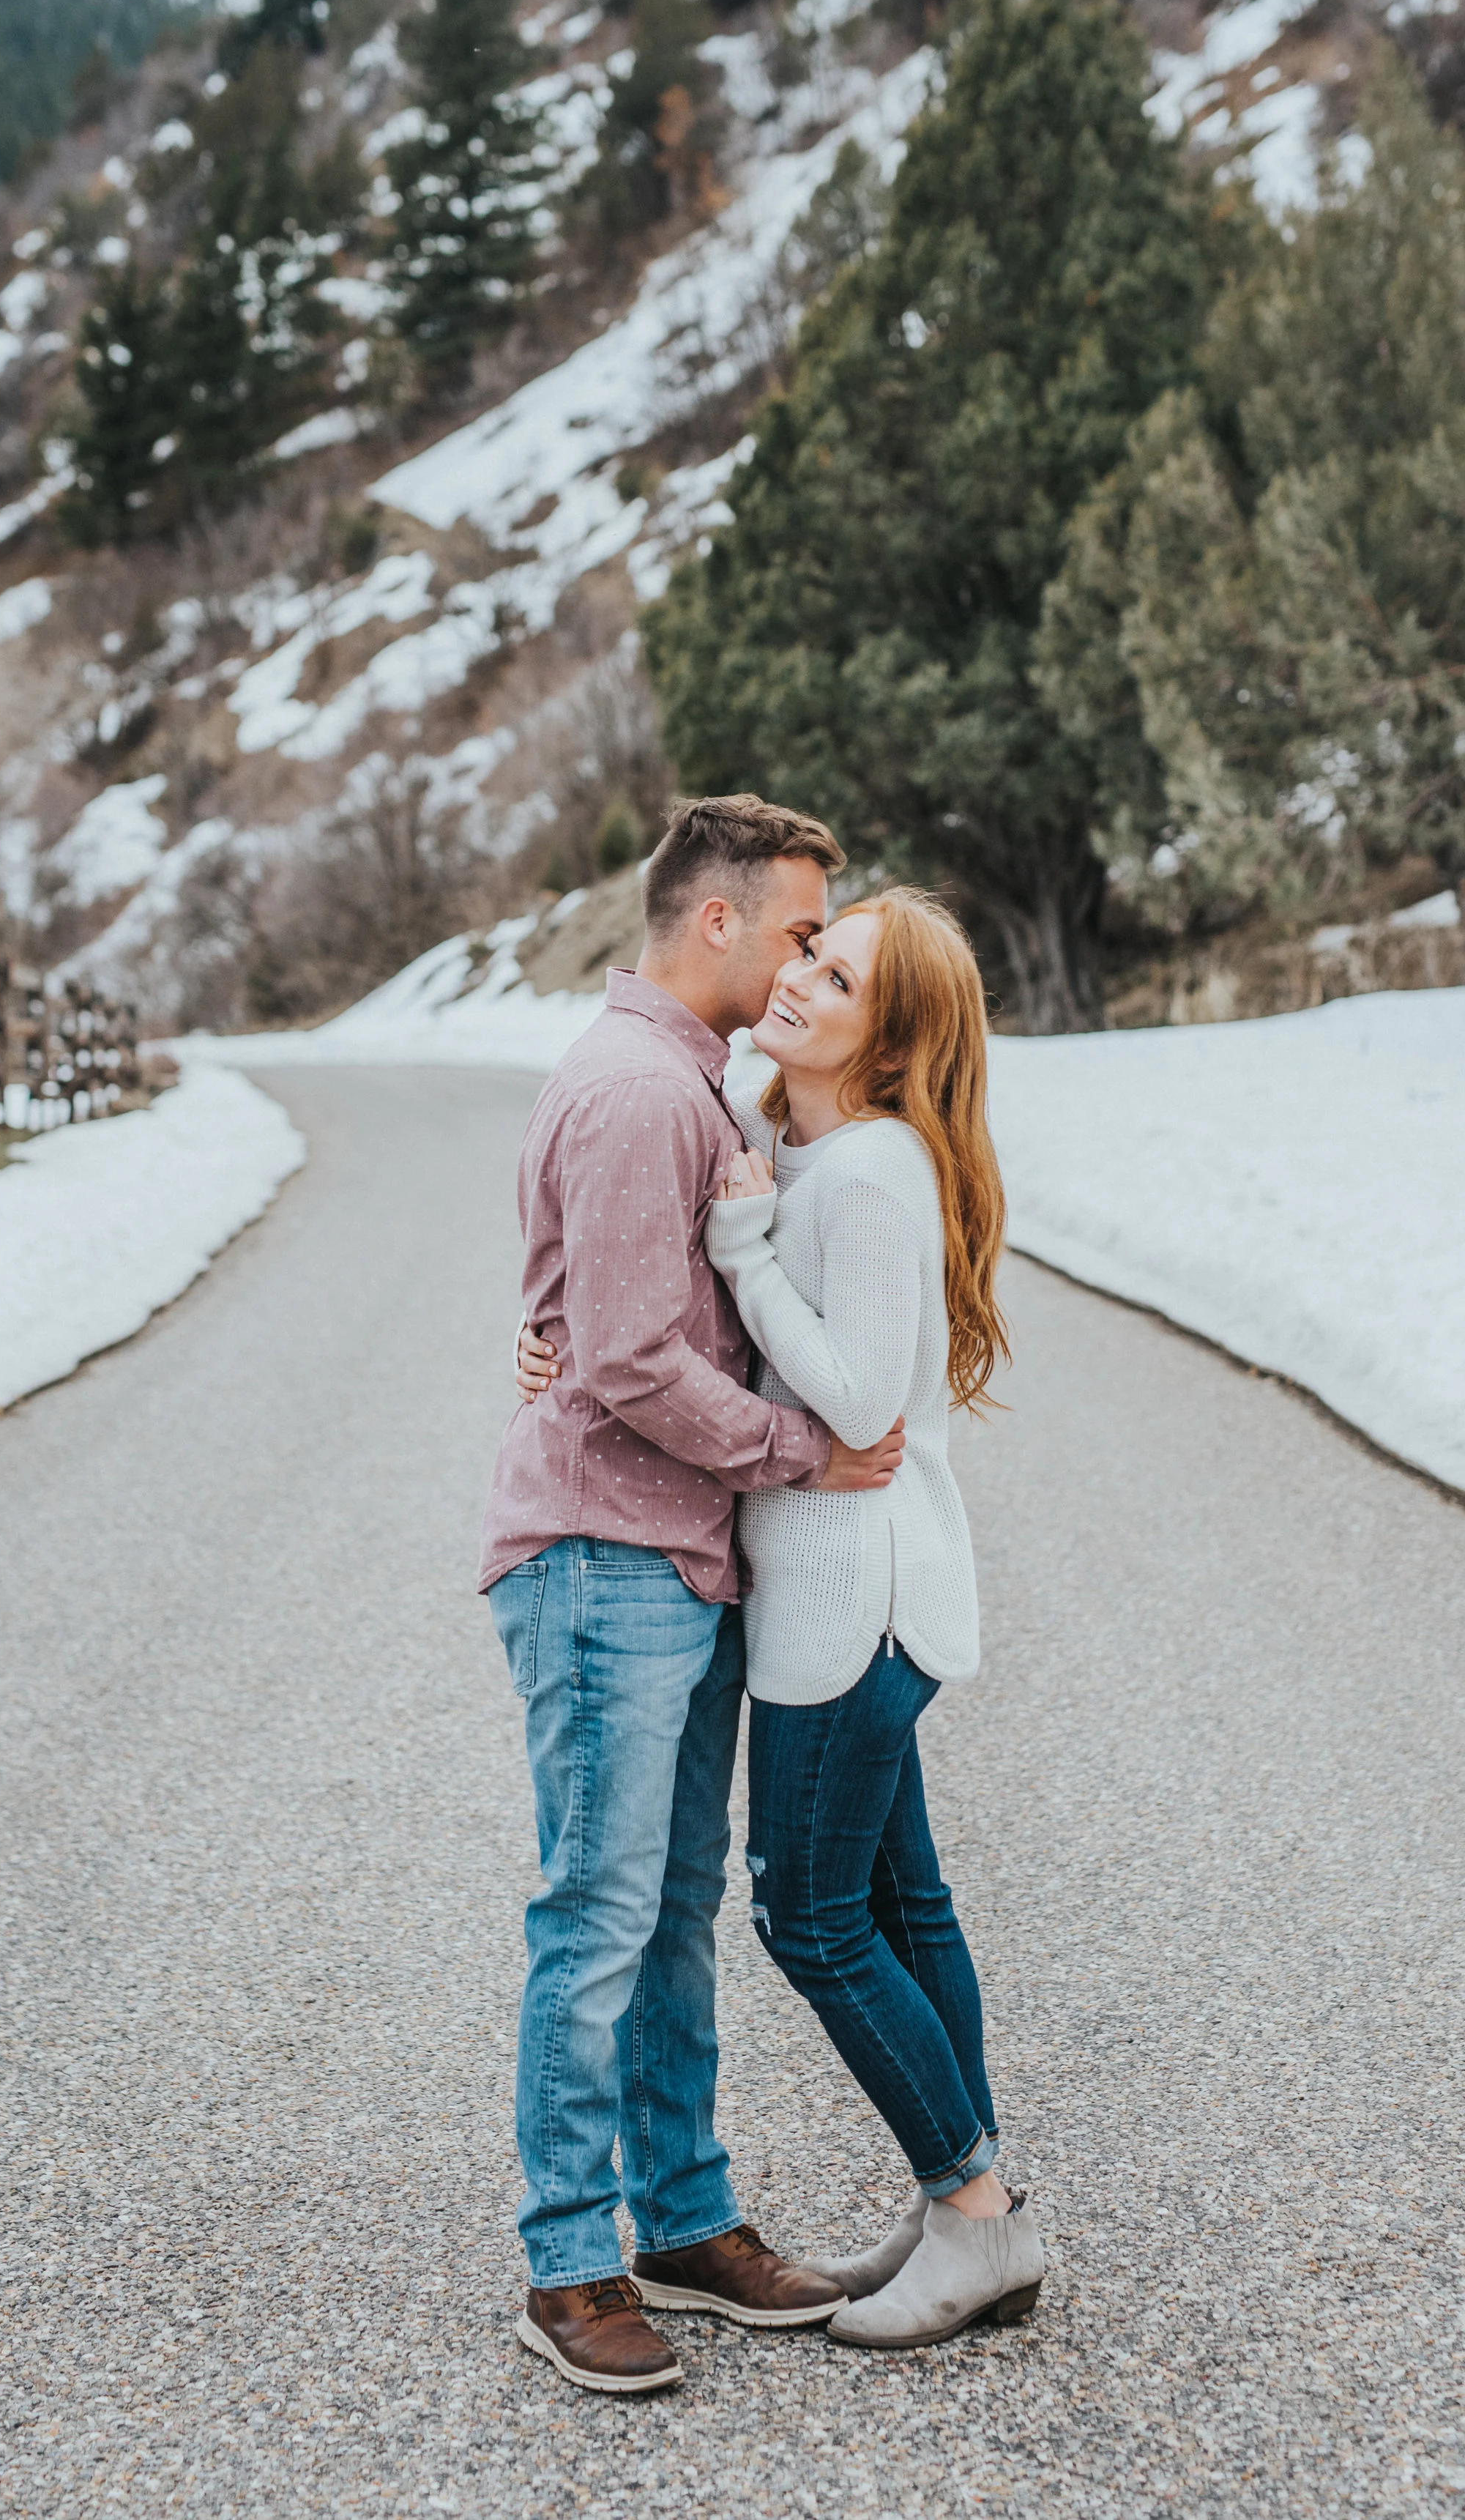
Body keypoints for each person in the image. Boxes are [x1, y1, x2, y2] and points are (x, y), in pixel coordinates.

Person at [522, 886, 1044, 2351]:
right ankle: (974, 2208)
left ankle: (974, 2208)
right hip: (857, 1593)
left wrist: (748, 1254)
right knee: (901, 1904)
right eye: (809, 948)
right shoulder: (807, 1150)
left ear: (892, 1039)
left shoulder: (865, 1170)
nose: (803, 974)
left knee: (808, 1919)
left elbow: (860, 1402)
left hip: (848, 1600)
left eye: (842, 970)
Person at [480, 794, 909, 2398]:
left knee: (668, 1909)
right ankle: (567, 2258)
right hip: (600, 1552)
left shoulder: (690, 1086)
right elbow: (621, 1353)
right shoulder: (632, 1090)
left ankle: (683, 2217)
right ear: (716, 919)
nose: (810, 955)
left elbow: (602, 1314)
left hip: (672, 1552)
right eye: (801, 925)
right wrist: (797, 1448)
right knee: (593, 1911)